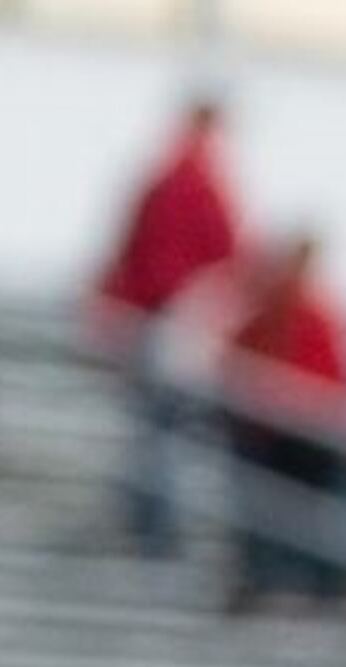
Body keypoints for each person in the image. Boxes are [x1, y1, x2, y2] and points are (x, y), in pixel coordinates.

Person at [87, 95, 244, 559]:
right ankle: (155, 530)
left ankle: (146, 522)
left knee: (158, 430)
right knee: (165, 431)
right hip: (169, 322)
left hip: (156, 319)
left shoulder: (166, 176)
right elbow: (225, 256)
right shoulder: (196, 181)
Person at [215, 232, 346, 615]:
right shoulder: (270, 315)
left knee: (333, 499)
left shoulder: (318, 318)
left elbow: (341, 390)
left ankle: (328, 584)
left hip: (309, 440)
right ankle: (286, 580)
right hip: (275, 440)